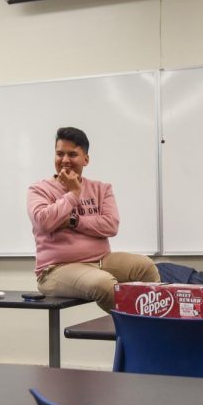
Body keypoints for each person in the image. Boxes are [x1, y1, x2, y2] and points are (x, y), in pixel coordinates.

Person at [26, 127, 159, 311]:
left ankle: (152, 325)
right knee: (104, 284)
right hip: (55, 269)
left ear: (85, 159)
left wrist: (73, 222)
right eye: (59, 154)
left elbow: (110, 225)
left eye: (72, 154)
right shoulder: (39, 190)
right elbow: (44, 222)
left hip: (101, 260)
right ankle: (132, 334)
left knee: (145, 266)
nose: (65, 160)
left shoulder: (101, 189)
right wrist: (73, 193)